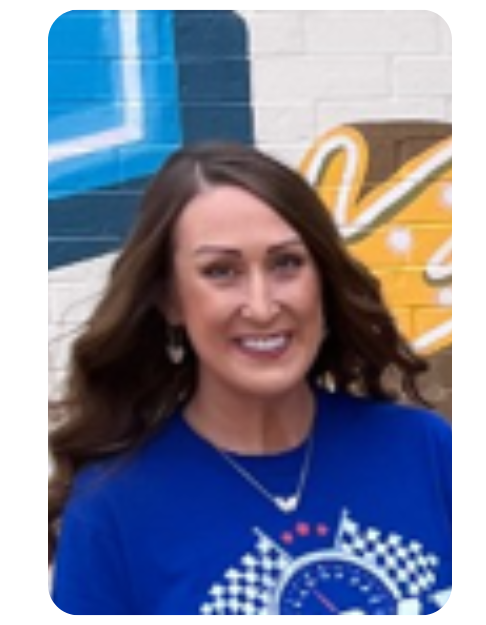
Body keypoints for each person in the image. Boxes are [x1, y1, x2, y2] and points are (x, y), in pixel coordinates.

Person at [48, 141, 452, 616]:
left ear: (321, 278)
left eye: (286, 263)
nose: (261, 307)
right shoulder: (113, 509)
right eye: (221, 271)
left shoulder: (424, 451)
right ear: (169, 299)